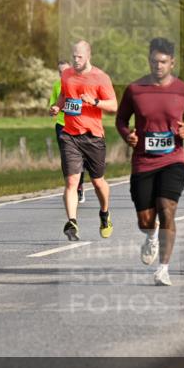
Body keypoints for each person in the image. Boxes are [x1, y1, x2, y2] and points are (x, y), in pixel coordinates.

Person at [116, 38, 184, 286]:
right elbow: (121, 120)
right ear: (149, 60)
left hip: (173, 161)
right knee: (145, 220)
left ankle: (163, 269)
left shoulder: (183, 90)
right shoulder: (135, 89)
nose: (159, 66)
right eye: (155, 61)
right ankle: (151, 235)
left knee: (167, 209)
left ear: (172, 63)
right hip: (143, 163)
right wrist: (128, 135)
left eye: (164, 62)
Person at [50, 41, 117, 240]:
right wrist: (57, 107)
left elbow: (113, 105)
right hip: (69, 134)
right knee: (72, 181)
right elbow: (64, 95)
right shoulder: (67, 75)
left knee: (97, 182)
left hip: (93, 137)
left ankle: (105, 213)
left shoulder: (100, 77)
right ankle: (72, 222)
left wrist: (95, 102)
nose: (76, 60)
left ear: (88, 55)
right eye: (73, 56)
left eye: (79, 57)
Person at [48, 60, 86, 203]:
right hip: (62, 125)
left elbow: (86, 104)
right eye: (60, 72)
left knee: (81, 158)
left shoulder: (81, 84)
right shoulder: (57, 86)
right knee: (66, 158)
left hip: (78, 125)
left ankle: (80, 186)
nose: (62, 74)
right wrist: (53, 109)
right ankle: (71, 187)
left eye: (65, 71)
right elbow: (52, 105)